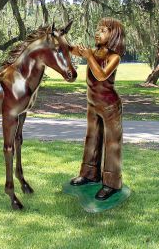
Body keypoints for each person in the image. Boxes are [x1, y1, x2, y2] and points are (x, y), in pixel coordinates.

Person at [69, 17, 126, 200]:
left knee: (112, 144)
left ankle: (111, 183)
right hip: (93, 104)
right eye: (97, 29)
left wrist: (89, 57)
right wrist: (61, 41)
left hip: (110, 106)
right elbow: (73, 50)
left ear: (113, 35)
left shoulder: (114, 57)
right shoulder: (94, 52)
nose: (97, 32)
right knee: (92, 138)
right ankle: (89, 173)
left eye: (103, 30)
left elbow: (101, 75)